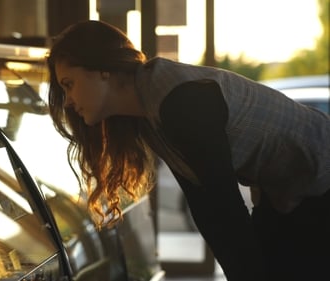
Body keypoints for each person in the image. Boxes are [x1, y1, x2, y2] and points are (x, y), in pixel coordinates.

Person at [45, 20, 330, 281]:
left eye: (69, 85)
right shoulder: (149, 110)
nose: (68, 101)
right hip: (294, 194)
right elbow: (207, 206)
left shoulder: (179, 101)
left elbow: (224, 207)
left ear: (102, 69)